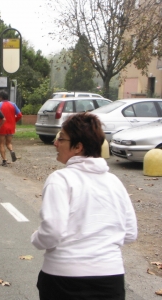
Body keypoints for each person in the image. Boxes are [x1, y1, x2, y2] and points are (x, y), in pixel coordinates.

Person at [31, 113, 138, 300]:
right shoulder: (114, 182)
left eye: (61, 139)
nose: (55, 143)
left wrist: (36, 239)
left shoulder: (61, 179)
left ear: (78, 147)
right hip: (110, 278)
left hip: (64, 278)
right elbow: (130, 233)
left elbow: (52, 231)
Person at [0, 90, 22, 166]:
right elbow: (20, 115)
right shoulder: (13, 105)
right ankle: (11, 150)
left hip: (2, 126)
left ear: (1, 97)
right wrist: (14, 121)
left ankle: (4, 160)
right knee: (8, 143)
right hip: (11, 127)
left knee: (1, 144)